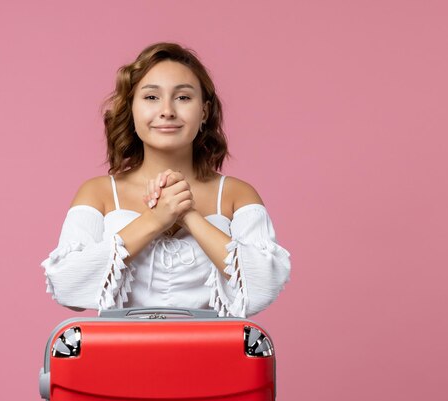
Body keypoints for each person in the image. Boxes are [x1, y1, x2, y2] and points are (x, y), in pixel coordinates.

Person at [41, 42, 291, 317]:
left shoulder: (237, 194)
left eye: (183, 97)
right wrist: (156, 219)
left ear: (204, 112)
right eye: (151, 97)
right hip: (119, 356)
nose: (167, 111)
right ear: (131, 108)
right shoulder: (98, 192)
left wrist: (188, 215)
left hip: (214, 356)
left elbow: (262, 288)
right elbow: (67, 288)